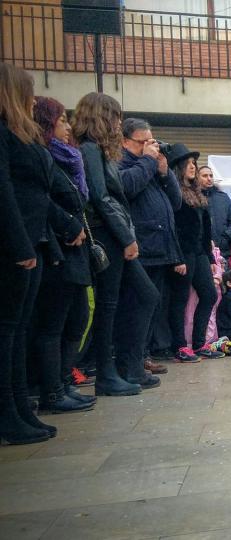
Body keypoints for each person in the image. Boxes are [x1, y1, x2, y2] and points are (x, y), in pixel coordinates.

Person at [73, 94, 159, 395]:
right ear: (102, 117)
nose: (118, 123)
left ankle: (124, 367)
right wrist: (126, 237)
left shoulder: (98, 151)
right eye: (115, 116)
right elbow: (100, 197)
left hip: (114, 232)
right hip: (108, 234)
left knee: (138, 297)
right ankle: (109, 373)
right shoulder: (90, 150)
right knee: (110, 305)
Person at [30, 96, 96, 413]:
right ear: (47, 126)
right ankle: (52, 392)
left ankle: (64, 381)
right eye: (61, 122)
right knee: (54, 325)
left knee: (77, 320)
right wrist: (68, 224)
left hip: (75, 249)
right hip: (59, 248)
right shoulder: (45, 157)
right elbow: (41, 200)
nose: (68, 128)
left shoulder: (69, 159)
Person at [0, 64, 53, 444]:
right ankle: (8, 414)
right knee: (7, 332)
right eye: (29, 92)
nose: (33, 99)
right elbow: (4, 193)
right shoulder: (4, 135)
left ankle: (20, 408)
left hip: (32, 241)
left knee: (17, 330)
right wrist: (20, 246)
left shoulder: (22, 135)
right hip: (15, 247)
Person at [117, 117, 181, 364]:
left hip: (160, 246)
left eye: (150, 141)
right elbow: (128, 188)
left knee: (152, 305)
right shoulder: (123, 162)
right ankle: (133, 358)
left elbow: (175, 203)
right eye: (142, 142)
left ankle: (143, 354)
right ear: (125, 141)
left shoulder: (150, 165)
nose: (148, 147)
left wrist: (165, 173)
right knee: (137, 305)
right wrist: (146, 160)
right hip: (140, 245)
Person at [166, 144, 221, 362]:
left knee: (209, 294)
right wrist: (177, 258)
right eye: (188, 163)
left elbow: (205, 229)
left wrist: (209, 258)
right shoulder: (174, 192)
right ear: (179, 167)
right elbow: (172, 228)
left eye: (194, 164)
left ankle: (199, 343)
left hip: (198, 253)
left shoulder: (198, 194)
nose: (192, 167)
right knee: (179, 299)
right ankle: (180, 346)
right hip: (182, 254)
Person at [198, 165, 231, 257]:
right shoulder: (193, 197)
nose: (209, 178)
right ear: (197, 178)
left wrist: (225, 238)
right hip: (201, 252)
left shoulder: (223, 197)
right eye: (205, 176)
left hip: (222, 252)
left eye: (211, 175)